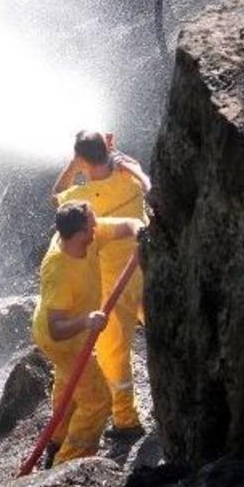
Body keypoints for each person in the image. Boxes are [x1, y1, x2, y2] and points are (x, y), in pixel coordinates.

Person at [51, 131, 150, 439]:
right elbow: (145, 180)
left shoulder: (81, 201)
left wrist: (73, 166)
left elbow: (56, 196)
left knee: (113, 353)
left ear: (82, 159)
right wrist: (119, 159)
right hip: (147, 271)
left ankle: (125, 420)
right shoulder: (129, 178)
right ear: (108, 148)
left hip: (112, 284)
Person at [32, 200, 143, 467]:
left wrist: (140, 229)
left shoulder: (85, 237)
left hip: (72, 332)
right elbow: (56, 329)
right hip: (60, 340)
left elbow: (126, 225)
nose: (97, 226)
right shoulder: (59, 270)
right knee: (97, 399)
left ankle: (56, 439)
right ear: (80, 233)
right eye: (92, 223)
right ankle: (67, 465)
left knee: (69, 387)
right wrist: (87, 321)